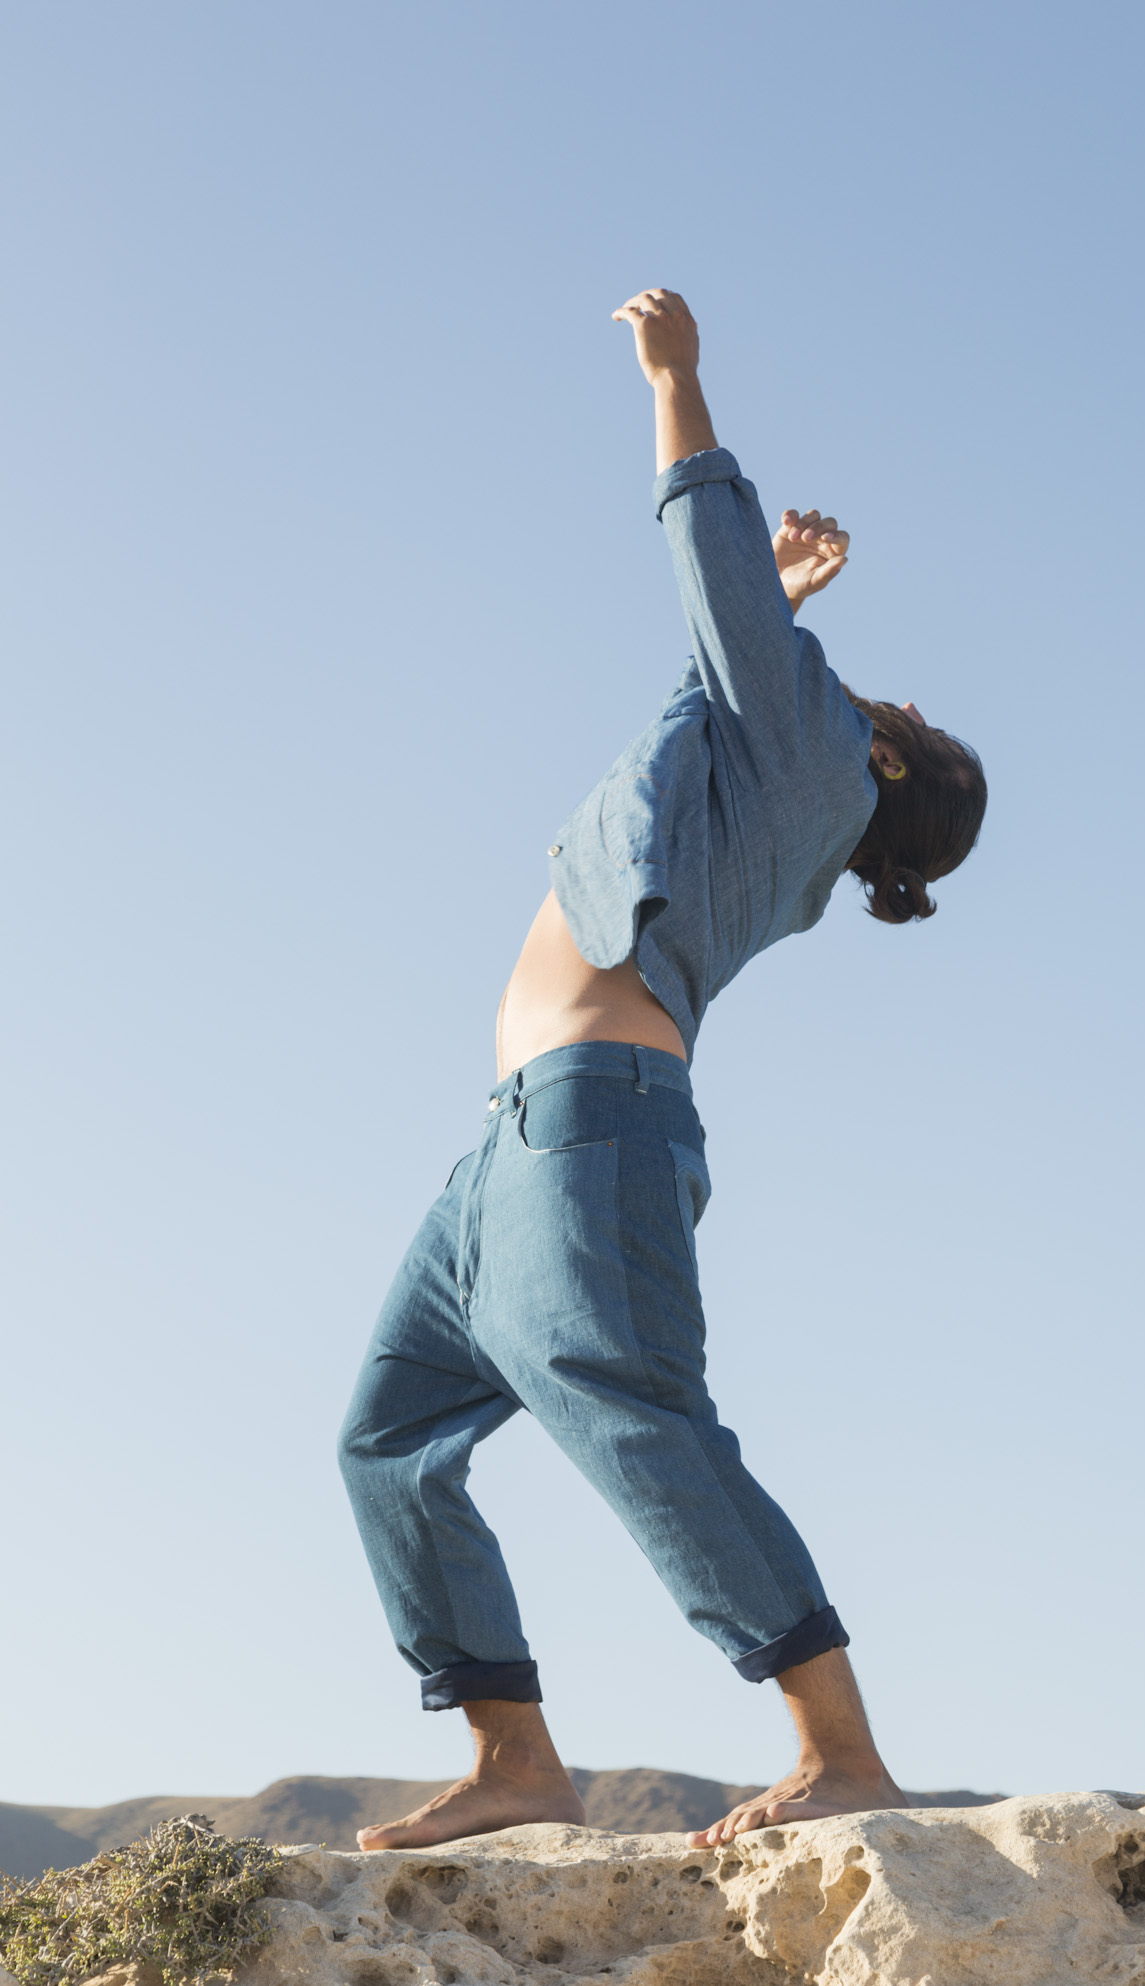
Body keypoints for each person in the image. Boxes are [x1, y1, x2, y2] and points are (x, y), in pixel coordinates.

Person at [337, 288, 987, 1853]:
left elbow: (703, 564)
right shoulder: (772, 754)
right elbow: (702, 689)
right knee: (389, 1440)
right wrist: (766, 605)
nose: (873, 685)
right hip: (505, 1150)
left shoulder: (820, 752)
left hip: (590, 1129)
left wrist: (677, 385)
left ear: (885, 757)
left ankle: (839, 1747)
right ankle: (512, 1758)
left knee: (631, 1407)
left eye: (897, 706)